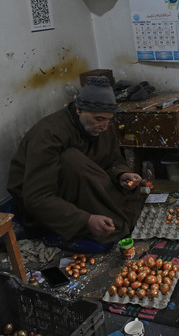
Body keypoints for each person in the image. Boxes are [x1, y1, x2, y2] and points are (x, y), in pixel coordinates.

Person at [7, 76, 143, 246]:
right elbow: (37, 197)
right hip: (42, 201)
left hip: (85, 185)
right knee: (71, 160)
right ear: (79, 110)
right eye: (99, 119)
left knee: (128, 203)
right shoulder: (48, 135)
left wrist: (121, 174)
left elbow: (112, 161)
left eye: (109, 120)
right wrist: (85, 220)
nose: (105, 126)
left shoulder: (101, 127)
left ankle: (109, 211)